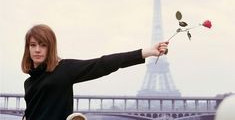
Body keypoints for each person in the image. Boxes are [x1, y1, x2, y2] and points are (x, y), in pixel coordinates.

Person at [21, 24, 168, 120]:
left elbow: (102, 64)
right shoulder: (28, 83)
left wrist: (146, 52)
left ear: (50, 48)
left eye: (43, 45)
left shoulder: (63, 69)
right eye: (33, 45)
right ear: (28, 48)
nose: (37, 49)